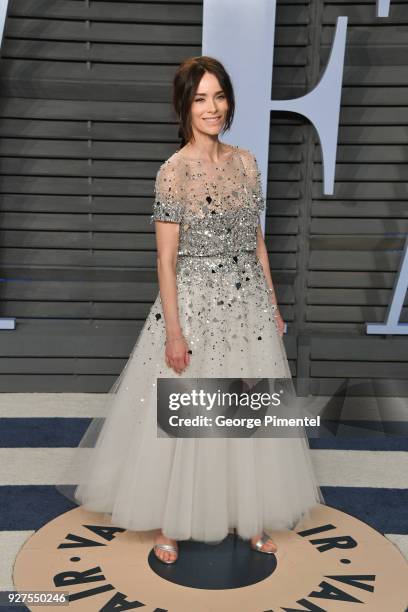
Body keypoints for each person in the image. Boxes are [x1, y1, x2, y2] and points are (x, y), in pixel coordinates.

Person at [56, 55, 324, 565]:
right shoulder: (173, 172)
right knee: (184, 413)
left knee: (248, 412)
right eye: (201, 98)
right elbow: (164, 258)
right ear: (184, 106)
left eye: (219, 96)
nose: (212, 107)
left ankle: (251, 516)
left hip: (246, 303)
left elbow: (256, 240)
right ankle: (170, 521)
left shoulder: (246, 162)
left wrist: (271, 300)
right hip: (195, 303)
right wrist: (174, 333)